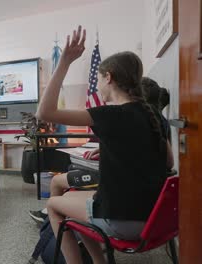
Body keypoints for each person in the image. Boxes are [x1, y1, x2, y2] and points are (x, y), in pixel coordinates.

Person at [36, 26, 172, 264]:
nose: (97, 86)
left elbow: (44, 112)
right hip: (156, 219)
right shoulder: (152, 116)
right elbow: (167, 161)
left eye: (99, 79)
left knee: (54, 205)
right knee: (78, 201)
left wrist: (65, 62)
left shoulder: (110, 115)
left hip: (124, 221)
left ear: (108, 77)